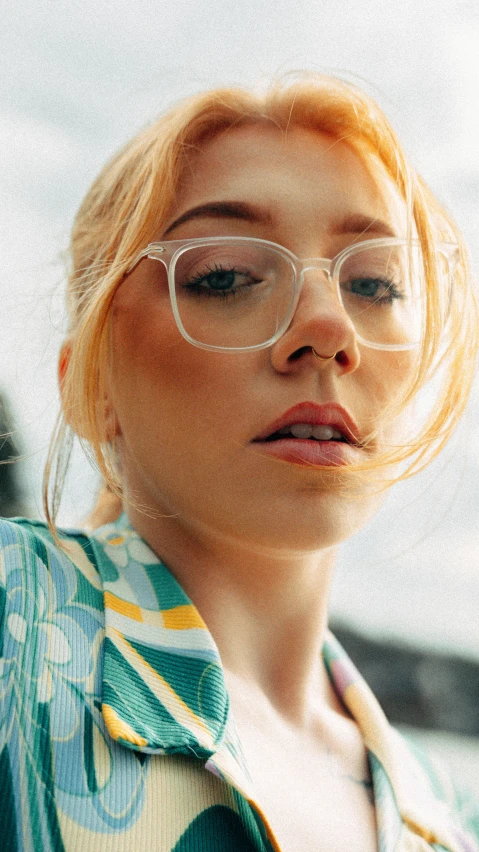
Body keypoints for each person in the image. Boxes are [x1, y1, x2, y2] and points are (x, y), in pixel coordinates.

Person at [1, 72, 478, 852]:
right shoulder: (15, 629)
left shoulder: (443, 822)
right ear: (92, 382)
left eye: (373, 283)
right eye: (223, 276)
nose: (327, 326)